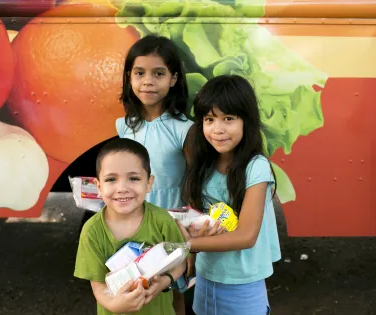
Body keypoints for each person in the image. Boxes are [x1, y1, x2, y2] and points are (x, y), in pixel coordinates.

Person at [179, 74, 281, 315]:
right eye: (209, 119)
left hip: (244, 283)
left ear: (246, 121)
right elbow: (196, 217)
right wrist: (190, 254)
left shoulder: (256, 167)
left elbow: (246, 236)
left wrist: (187, 245)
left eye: (228, 119)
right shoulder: (203, 165)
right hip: (206, 277)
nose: (218, 129)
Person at [116, 35, 194, 314]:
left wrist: (190, 239)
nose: (148, 81)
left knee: (173, 290)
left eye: (158, 73)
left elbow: (194, 181)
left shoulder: (184, 129)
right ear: (129, 77)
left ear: (173, 79)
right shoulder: (124, 126)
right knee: (136, 286)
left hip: (172, 223)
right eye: (140, 73)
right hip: (134, 220)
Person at [74, 138, 187, 315]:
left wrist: (165, 282)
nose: (122, 188)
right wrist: (113, 305)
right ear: (98, 186)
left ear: (149, 183)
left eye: (133, 178)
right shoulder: (92, 231)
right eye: (111, 179)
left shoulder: (162, 221)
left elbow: (179, 262)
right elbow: (98, 286)